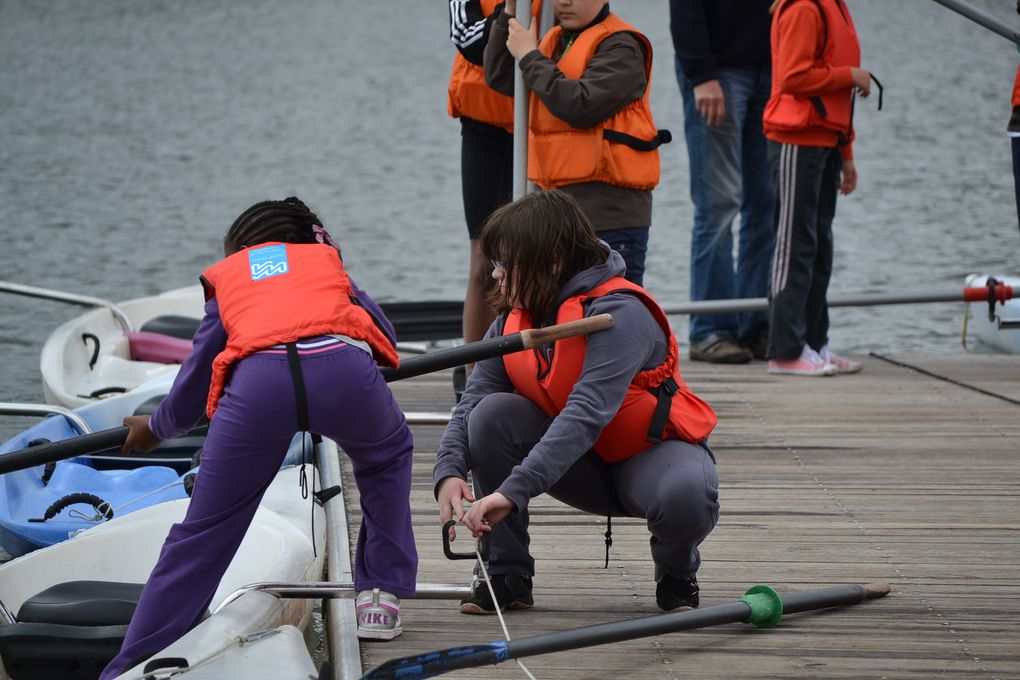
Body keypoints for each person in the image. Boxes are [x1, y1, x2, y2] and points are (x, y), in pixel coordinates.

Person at [100, 198, 417, 679]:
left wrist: (156, 428)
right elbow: (384, 336)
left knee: (204, 530)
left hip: (258, 390)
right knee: (385, 456)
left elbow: (194, 385)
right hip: (343, 374)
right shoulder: (326, 267)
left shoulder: (231, 280)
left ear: (242, 252)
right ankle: (379, 597)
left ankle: (132, 662)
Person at [433, 189, 720, 615]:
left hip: (645, 459)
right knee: (489, 415)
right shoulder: (511, 321)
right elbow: (472, 402)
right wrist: (448, 471)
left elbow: (585, 415)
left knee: (687, 496)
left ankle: (677, 575)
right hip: (576, 468)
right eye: (494, 264)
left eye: (505, 263)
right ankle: (507, 575)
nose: (496, 275)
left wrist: (512, 491)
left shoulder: (620, 314)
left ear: (550, 262)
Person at [483, 0, 670, 286]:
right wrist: (508, 13)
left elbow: (581, 106)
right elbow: (500, 77)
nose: (564, 2)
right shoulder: (554, 39)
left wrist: (530, 55)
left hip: (610, 219)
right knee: (559, 316)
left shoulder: (622, 46)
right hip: (557, 217)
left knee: (609, 312)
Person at [762, 0, 871, 376]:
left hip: (826, 142)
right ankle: (785, 351)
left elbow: (838, 99)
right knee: (794, 244)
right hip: (796, 139)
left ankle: (814, 344)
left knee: (819, 246)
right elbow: (794, 77)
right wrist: (850, 75)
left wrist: (847, 154)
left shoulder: (834, 6)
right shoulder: (804, 7)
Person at [670, 0, 775, 364]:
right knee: (719, 204)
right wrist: (700, 73)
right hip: (718, 74)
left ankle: (757, 325)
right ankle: (711, 329)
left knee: (768, 204)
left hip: (775, 71)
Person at [448, 0, 517, 351]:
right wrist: (509, 14)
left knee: (544, 253)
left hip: (544, 124)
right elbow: (467, 38)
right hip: (484, 126)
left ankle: (539, 367)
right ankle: (474, 375)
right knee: (484, 258)